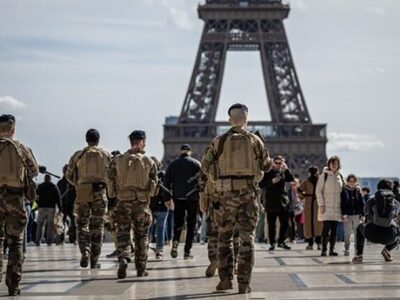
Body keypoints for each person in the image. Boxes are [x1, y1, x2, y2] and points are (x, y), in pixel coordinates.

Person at [201, 103, 271, 294]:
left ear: (229, 120)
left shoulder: (219, 141)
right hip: (249, 196)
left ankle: (225, 280)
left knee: (224, 238)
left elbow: (205, 166)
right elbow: (266, 166)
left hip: (225, 197)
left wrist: (218, 178)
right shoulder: (256, 141)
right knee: (247, 240)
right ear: (247, 119)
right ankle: (244, 283)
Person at [107, 130, 158, 279]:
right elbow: (154, 190)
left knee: (122, 234)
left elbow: (110, 184)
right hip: (141, 204)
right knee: (141, 237)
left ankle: (123, 257)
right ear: (142, 142)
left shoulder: (117, 160)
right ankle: (141, 268)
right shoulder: (150, 161)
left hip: (123, 203)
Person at [0, 114, 39, 296]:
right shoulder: (21, 148)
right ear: (13, 129)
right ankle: (13, 284)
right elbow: (34, 169)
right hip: (15, 199)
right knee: (15, 241)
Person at [66, 129, 111, 269]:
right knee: (98, 226)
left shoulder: (78, 155)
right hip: (99, 191)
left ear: (86, 140)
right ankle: (95, 259)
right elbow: (113, 174)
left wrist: (79, 184)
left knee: (82, 224)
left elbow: (69, 174)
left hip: (82, 192)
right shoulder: (106, 155)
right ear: (98, 140)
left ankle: (85, 250)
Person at [164, 144, 201, 259]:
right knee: (191, 225)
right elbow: (203, 181)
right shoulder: (196, 164)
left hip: (178, 198)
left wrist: (167, 198)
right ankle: (187, 251)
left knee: (178, 223)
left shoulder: (173, 165)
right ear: (190, 152)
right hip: (192, 198)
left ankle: (175, 242)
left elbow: (166, 182)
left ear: (180, 152)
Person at [199, 175, 240, 278]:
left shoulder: (211, 159)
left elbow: (202, 179)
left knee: (213, 234)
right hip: (234, 201)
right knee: (234, 235)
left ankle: (214, 259)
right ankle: (234, 262)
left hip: (214, 201)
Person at [352, 179, 400, 263]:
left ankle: (359, 255)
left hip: (372, 234)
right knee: (398, 230)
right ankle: (387, 249)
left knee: (359, 228)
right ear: (391, 189)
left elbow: (366, 213)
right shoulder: (395, 202)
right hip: (389, 237)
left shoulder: (371, 200)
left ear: (378, 188)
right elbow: (396, 215)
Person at [260, 155, 295, 251]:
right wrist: (272, 181)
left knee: (284, 223)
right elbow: (261, 184)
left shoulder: (283, 172)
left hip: (283, 201)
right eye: (277, 163)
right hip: (271, 201)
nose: (279, 165)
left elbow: (291, 179)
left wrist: (286, 169)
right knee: (271, 224)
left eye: (280, 163)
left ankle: (281, 241)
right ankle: (272, 243)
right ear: (273, 163)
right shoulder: (267, 172)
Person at [316, 156, 344, 256]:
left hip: (336, 207)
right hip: (326, 207)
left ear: (338, 165)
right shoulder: (324, 176)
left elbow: (344, 191)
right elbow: (318, 191)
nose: (333, 165)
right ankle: (324, 250)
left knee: (334, 231)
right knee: (325, 229)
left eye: (335, 163)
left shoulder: (340, 177)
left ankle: (332, 250)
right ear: (329, 164)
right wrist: (321, 204)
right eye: (332, 163)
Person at [148, 156, 169, 259]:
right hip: (163, 206)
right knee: (160, 229)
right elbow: (168, 190)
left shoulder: (147, 175)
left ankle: (144, 247)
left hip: (150, 206)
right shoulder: (164, 175)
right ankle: (159, 251)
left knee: (147, 228)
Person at [298, 166, 323, 250]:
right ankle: (319, 243)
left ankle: (310, 244)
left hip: (308, 202)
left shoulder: (307, 181)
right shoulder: (320, 181)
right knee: (319, 222)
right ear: (317, 172)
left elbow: (299, 190)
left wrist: (303, 196)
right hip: (318, 201)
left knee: (308, 222)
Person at [340, 174, 364, 256]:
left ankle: (357, 249)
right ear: (347, 181)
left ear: (356, 182)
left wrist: (362, 214)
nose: (352, 183)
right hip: (347, 215)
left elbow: (362, 203)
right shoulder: (344, 190)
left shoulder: (358, 190)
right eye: (350, 181)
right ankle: (346, 249)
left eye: (353, 181)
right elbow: (342, 203)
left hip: (357, 215)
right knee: (347, 233)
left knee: (357, 233)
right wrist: (344, 214)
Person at [35, 174, 62, 246]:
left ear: (44, 179)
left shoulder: (40, 186)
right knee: (50, 225)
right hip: (51, 208)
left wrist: (38, 203)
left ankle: (38, 240)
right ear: (50, 179)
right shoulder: (54, 186)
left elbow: (35, 195)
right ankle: (49, 241)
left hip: (41, 207)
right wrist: (60, 208)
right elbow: (58, 198)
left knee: (40, 225)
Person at [57, 164, 77, 244]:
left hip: (71, 205)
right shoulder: (60, 183)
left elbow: (76, 194)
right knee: (61, 223)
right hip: (63, 206)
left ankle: (74, 238)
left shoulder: (73, 183)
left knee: (74, 223)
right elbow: (58, 195)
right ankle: (61, 239)